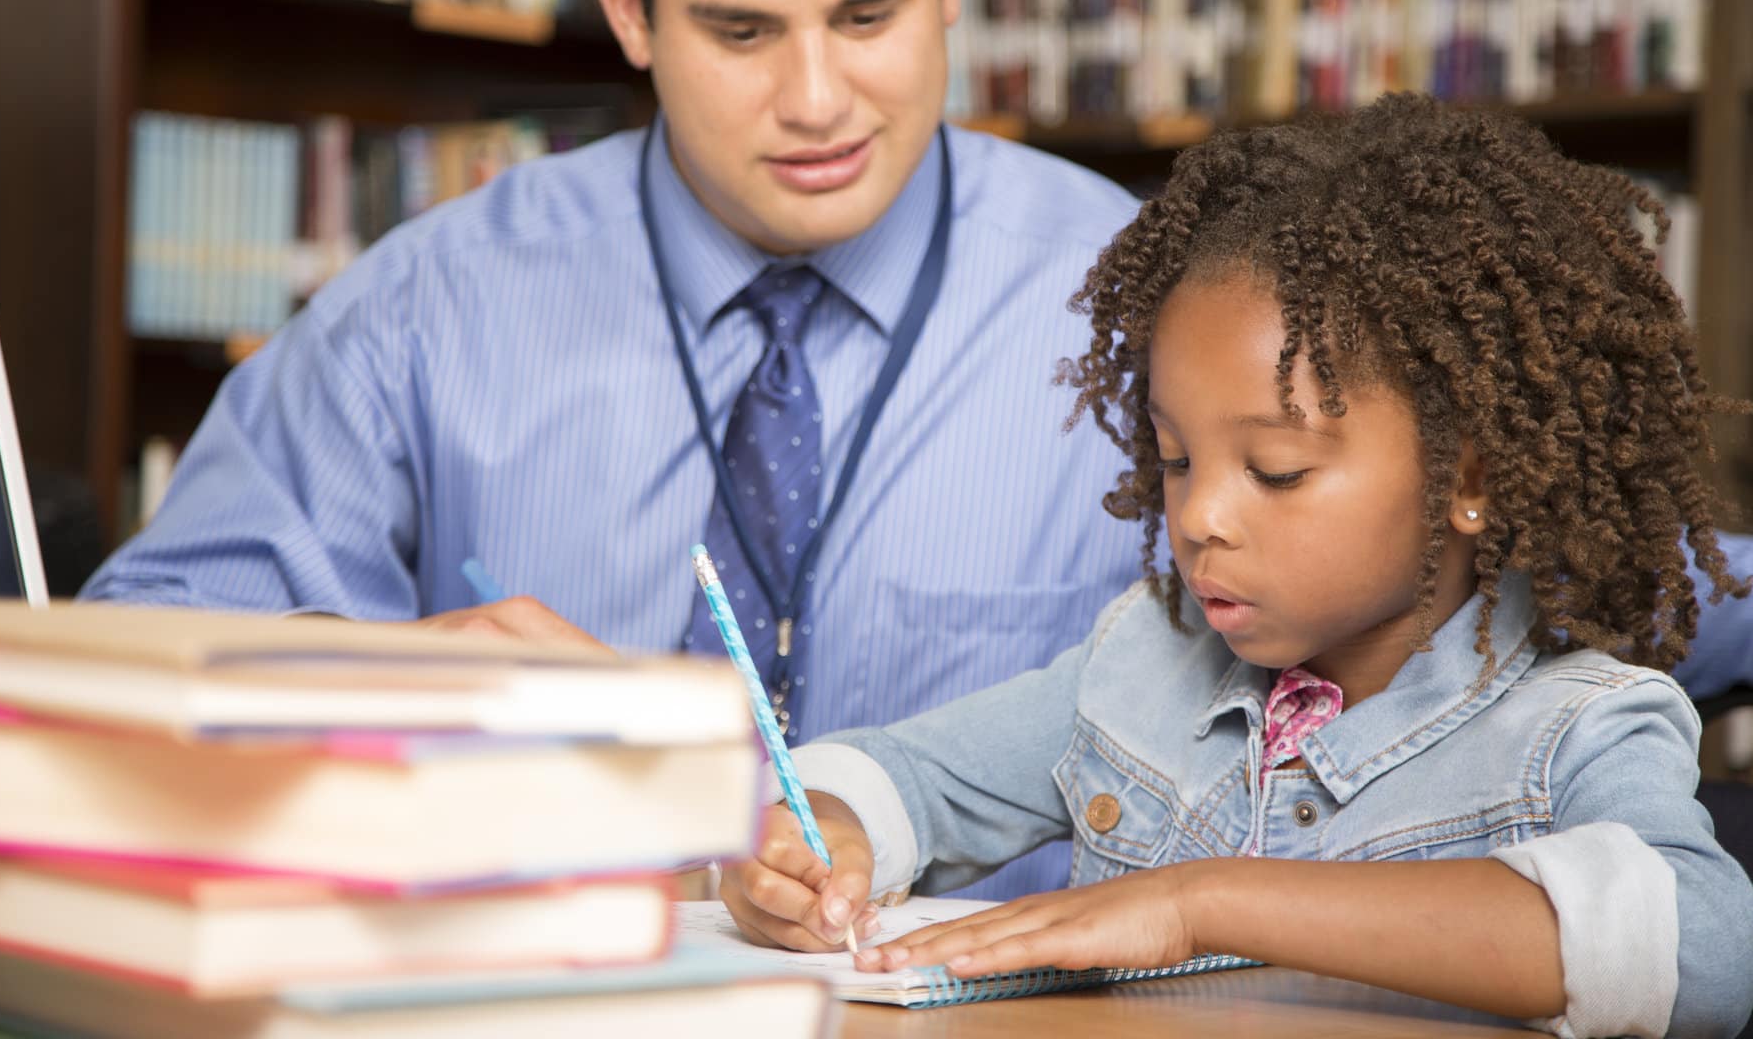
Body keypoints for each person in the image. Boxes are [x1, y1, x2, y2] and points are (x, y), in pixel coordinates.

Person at [80, 0, 1751, 898]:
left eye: (871, 16)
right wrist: (359, 679)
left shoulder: (1169, 318)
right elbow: (109, 669)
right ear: (626, 6)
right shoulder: (429, 305)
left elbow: (1605, 552)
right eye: (742, 33)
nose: (819, 99)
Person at [721, 96, 1753, 1038]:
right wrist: (820, 840)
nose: (1200, 515)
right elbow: (910, 780)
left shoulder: (1572, 728)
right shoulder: (1143, 668)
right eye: (1175, 459)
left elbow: (1706, 951)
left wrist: (1197, 903)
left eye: (1278, 470)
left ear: (1465, 478)